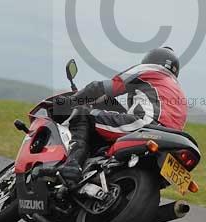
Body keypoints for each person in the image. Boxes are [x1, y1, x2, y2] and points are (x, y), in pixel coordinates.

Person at [58, 46, 187, 185]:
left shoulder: (148, 70)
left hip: (146, 126)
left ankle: (72, 166)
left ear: (150, 60)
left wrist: (72, 101)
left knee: (83, 115)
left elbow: (103, 88)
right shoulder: (179, 92)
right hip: (170, 140)